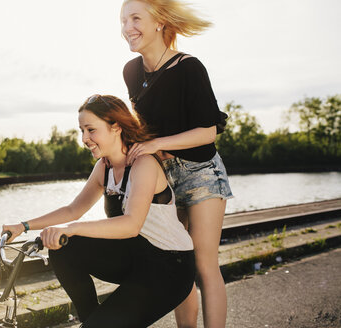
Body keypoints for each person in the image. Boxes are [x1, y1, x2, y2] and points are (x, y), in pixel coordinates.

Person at [2, 94, 195, 327]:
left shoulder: (143, 164)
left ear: (116, 127)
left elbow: (132, 224)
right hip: (136, 258)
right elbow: (73, 209)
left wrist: (71, 228)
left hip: (169, 268)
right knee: (64, 248)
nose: (84, 138)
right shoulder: (104, 167)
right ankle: (92, 321)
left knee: (70, 234)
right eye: (81, 130)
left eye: (91, 130)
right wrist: (23, 226)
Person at [120, 1, 234, 328]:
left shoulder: (189, 67)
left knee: (203, 264)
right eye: (123, 20)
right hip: (162, 180)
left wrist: (157, 144)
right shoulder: (131, 71)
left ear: (159, 22)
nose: (128, 27)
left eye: (135, 18)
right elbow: (146, 126)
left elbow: (209, 130)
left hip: (201, 173)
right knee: (179, 264)